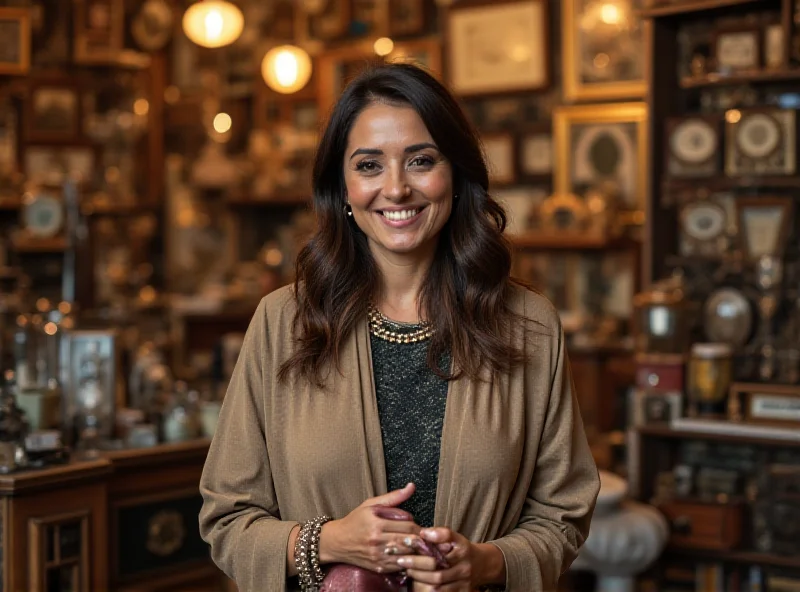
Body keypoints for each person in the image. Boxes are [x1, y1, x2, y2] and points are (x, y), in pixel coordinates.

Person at [199, 62, 600, 592]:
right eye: (369, 165)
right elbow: (227, 520)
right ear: (341, 188)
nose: (396, 188)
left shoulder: (528, 326)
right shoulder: (282, 323)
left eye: (421, 161)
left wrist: (482, 562)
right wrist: (331, 541)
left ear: (455, 174)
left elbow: (562, 517)